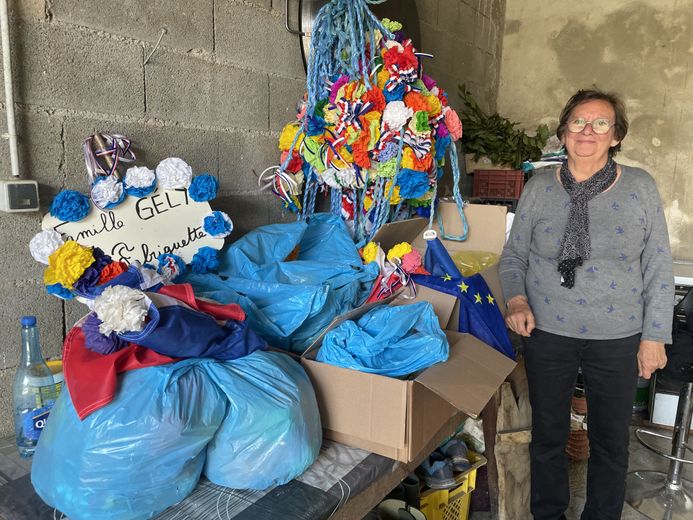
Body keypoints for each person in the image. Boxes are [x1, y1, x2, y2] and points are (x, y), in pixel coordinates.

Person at [499, 88, 674, 520]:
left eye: (600, 123)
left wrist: (654, 336)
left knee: (612, 441)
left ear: (615, 136)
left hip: (616, 337)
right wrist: (517, 299)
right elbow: (514, 256)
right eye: (577, 122)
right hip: (548, 332)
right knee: (548, 436)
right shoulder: (539, 187)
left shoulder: (639, 187)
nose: (587, 131)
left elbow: (658, 265)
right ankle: (548, 514)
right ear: (563, 132)